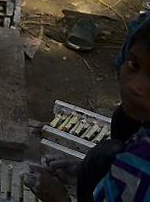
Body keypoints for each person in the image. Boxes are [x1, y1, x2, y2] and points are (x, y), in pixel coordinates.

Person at [27, 13, 150, 202]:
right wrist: (87, 173)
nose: (135, 86)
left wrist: (58, 198)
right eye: (134, 64)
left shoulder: (142, 167)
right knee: (121, 126)